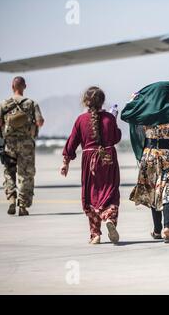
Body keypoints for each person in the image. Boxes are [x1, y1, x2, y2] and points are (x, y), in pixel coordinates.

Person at [121, 81, 169, 243]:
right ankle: (168, 227)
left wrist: (134, 100)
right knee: (168, 190)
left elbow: (125, 114)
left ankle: (157, 230)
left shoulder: (145, 111)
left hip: (150, 156)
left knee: (154, 191)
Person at [61, 87, 121, 244]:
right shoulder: (109, 118)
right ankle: (109, 218)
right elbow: (116, 138)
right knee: (111, 192)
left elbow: (72, 142)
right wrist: (114, 119)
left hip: (90, 162)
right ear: (102, 101)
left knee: (91, 194)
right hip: (108, 159)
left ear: (86, 102)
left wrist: (65, 163)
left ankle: (95, 234)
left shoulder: (81, 120)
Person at [0, 77, 44, 216]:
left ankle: (12, 199)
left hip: (9, 144)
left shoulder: (3, 104)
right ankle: (23, 206)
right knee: (26, 175)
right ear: (24, 86)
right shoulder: (31, 104)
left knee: (9, 172)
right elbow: (39, 122)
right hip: (26, 145)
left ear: (12, 86)